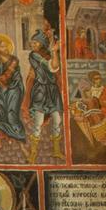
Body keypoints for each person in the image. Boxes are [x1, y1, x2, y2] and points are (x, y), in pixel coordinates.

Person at [25, 22, 64, 162]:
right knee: (38, 122)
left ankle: (57, 151)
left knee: (57, 120)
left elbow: (55, 67)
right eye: (32, 43)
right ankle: (33, 152)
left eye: (35, 43)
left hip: (52, 90)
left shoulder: (49, 54)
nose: (32, 45)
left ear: (41, 43)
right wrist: (54, 53)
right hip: (41, 90)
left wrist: (53, 52)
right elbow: (51, 67)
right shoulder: (33, 56)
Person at [0, 35, 26, 148]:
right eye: (2, 46)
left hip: (14, 90)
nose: (6, 48)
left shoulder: (14, 60)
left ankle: (21, 142)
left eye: (6, 46)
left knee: (12, 115)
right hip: (2, 90)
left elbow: (7, 76)